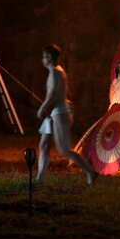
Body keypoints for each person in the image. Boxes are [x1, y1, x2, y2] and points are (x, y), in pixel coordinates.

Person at [36, 44, 97, 185]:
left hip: (59, 114)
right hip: (53, 114)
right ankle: (40, 178)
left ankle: (90, 172)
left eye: (44, 56)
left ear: (49, 58)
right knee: (44, 144)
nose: (42, 59)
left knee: (64, 150)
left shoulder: (55, 73)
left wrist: (42, 109)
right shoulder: (58, 71)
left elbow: (52, 96)